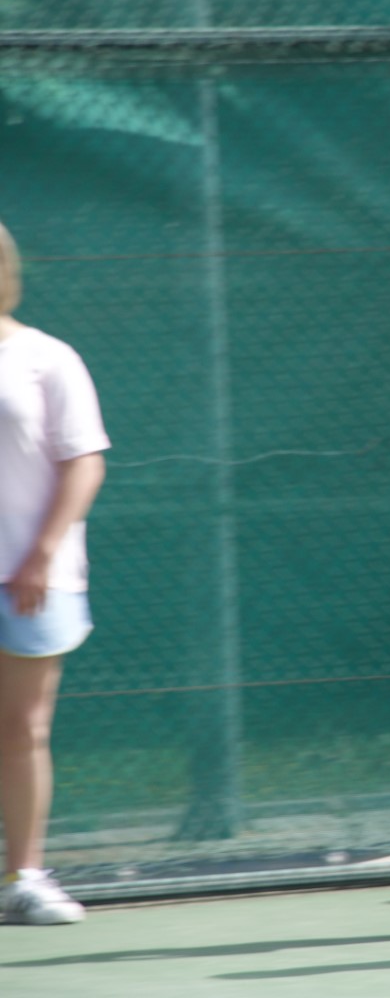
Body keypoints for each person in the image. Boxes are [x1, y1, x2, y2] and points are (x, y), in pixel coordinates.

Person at [0, 218, 108, 925]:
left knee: (21, 728)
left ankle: (24, 879)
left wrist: (39, 554)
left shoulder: (48, 358)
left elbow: (84, 463)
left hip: (32, 578)